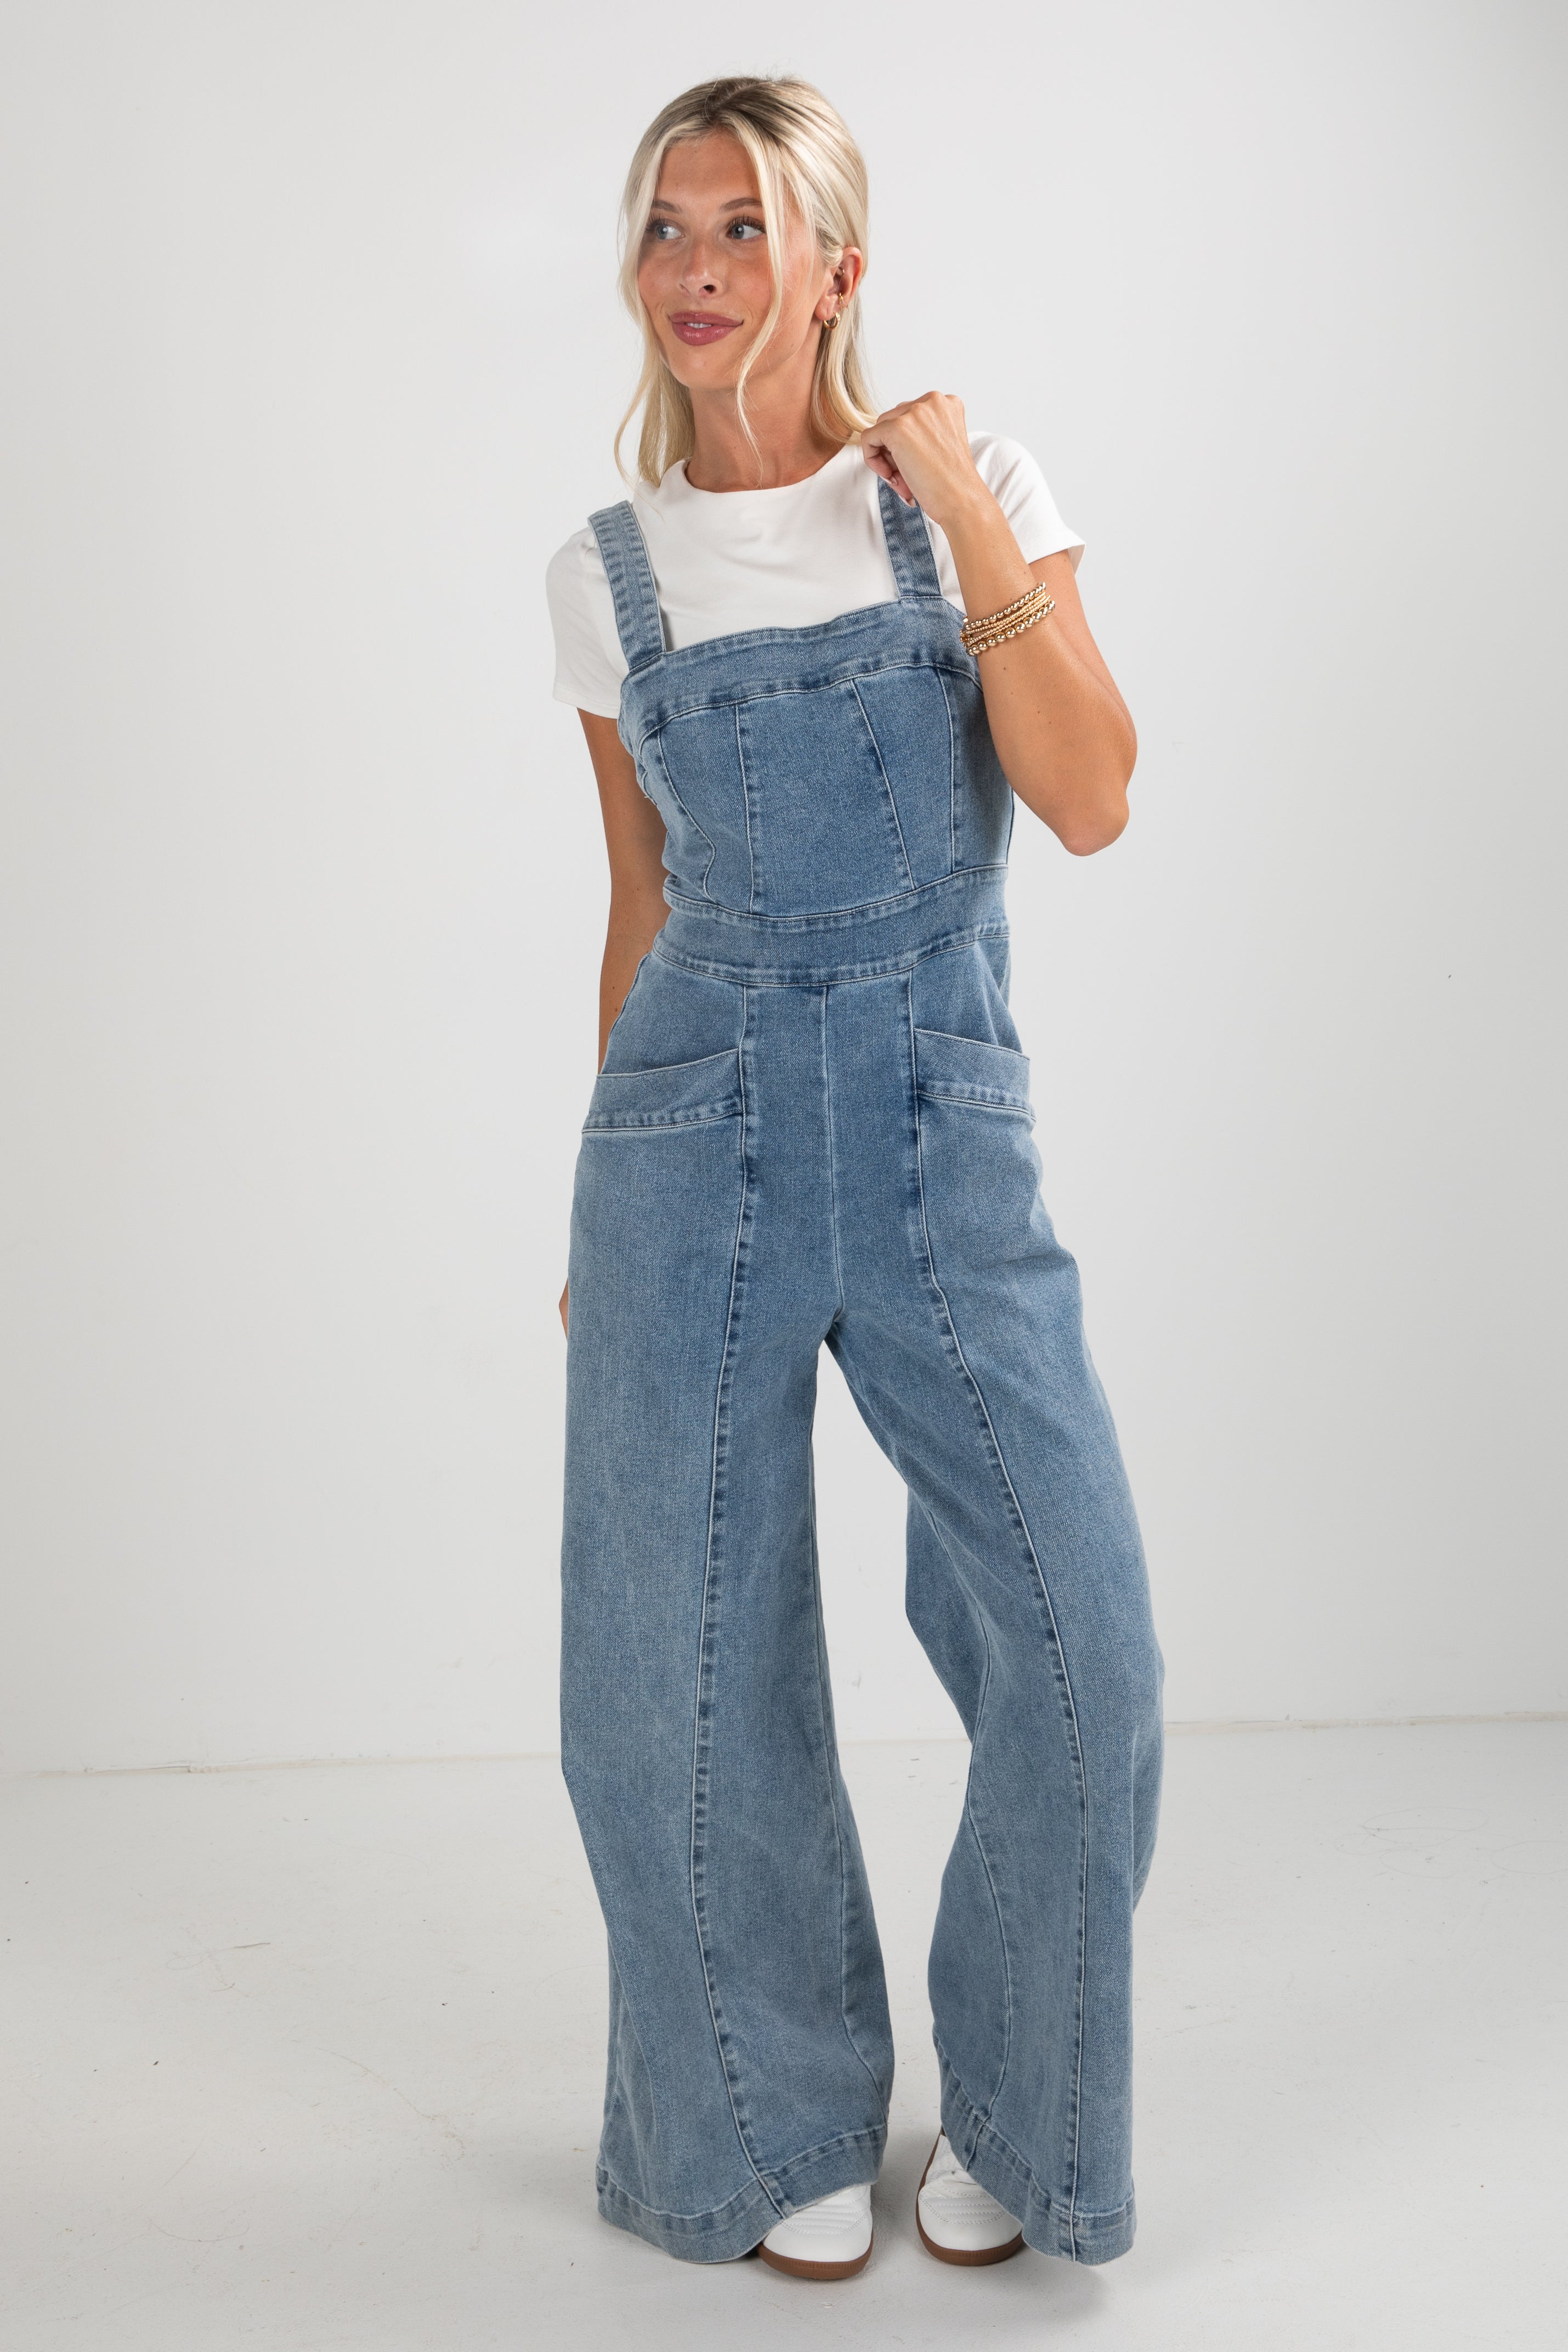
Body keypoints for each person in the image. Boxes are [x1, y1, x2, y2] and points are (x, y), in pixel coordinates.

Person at [546, 74, 1164, 2282]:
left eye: (744, 226)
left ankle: (1026, 2110)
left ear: (837, 266)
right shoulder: (608, 575)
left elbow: (1087, 795)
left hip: (935, 1127)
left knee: (1081, 1644)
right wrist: (591, 1197)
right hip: (681, 1143)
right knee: (671, 1670)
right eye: (665, 226)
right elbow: (637, 905)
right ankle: (761, 2119)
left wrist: (968, 518)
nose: (696, 268)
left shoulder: (968, 493)